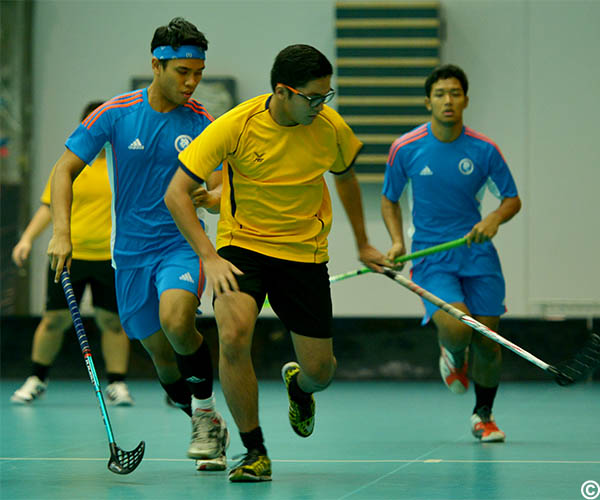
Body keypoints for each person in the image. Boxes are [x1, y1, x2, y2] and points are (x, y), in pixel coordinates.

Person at [164, 44, 388, 482]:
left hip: (304, 253)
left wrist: (364, 243)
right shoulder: (235, 126)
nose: (322, 106)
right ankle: (254, 451)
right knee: (232, 334)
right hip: (241, 246)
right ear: (284, 92)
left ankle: (299, 390)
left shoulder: (330, 128)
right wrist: (209, 255)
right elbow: (176, 194)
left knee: (321, 372)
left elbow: (345, 178)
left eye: (327, 96)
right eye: (314, 97)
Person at [46, 17, 228, 471]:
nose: (191, 82)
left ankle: (204, 416)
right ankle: (204, 421)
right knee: (162, 359)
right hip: (128, 255)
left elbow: (225, 190)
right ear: (157, 64)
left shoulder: (205, 122)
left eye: (198, 73)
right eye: (182, 71)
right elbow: (62, 170)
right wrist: (61, 233)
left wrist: (213, 197)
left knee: (177, 319)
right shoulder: (115, 114)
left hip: (180, 245)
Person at [380, 64, 521, 443]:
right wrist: (396, 242)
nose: (448, 100)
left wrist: (493, 218)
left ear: (466, 100)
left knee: (488, 341)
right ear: (428, 101)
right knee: (459, 326)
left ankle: (484, 415)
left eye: (455, 93)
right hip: (430, 256)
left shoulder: (484, 150)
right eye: (440, 94)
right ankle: (453, 354)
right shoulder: (406, 148)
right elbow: (389, 200)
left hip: (478, 254)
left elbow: (512, 199)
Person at [11, 102, 134, 407]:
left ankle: (117, 384)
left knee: (113, 323)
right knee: (54, 321)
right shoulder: (69, 164)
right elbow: (48, 207)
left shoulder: (124, 164)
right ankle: (37, 378)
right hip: (68, 256)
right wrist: (27, 238)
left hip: (111, 258)